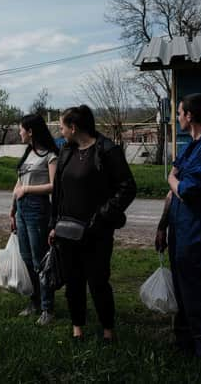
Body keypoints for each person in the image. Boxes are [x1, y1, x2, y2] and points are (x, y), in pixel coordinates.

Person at [49, 105, 136, 341]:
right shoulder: (66, 151)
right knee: (73, 282)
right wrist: (53, 224)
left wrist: (102, 217)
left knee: (98, 282)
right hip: (67, 231)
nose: (60, 130)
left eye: (62, 126)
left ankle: (108, 331)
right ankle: (77, 328)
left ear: (73, 127)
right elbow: (58, 192)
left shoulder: (107, 150)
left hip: (96, 233)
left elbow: (127, 187)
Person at [155, 93, 201, 357]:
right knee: (182, 286)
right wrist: (162, 226)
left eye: (179, 112)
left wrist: (173, 180)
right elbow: (173, 190)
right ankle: (185, 343)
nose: (177, 117)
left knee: (198, 286)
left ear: (190, 116)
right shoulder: (190, 146)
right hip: (179, 228)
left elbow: (186, 189)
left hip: (196, 229)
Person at [10, 113, 59, 326]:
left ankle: (48, 308)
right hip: (21, 209)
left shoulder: (50, 155)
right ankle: (34, 301)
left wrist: (28, 189)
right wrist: (12, 210)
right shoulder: (28, 153)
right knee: (27, 258)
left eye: (21, 129)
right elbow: (18, 183)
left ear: (30, 131)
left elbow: (54, 186)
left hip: (38, 209)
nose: (19, 132)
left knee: (40, 261)